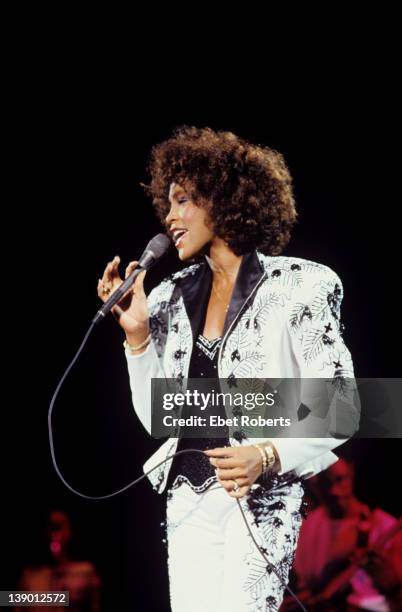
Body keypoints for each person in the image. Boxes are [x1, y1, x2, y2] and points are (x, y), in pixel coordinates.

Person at [97, 126, 359, 612]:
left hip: (258, 504)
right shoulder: (169, 298)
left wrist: (269, 453)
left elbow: (344, 405)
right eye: (167, 203)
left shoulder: (300, 285)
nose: (169, 217)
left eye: (183, 200)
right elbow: (161, 418)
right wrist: (136, 338)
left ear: (223, 197)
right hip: (186, 502)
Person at [284, 458, 402, 612]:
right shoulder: (306, 526)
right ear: (312, 482)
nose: (333, 490)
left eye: (340, 479)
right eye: (324, 483)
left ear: (351, 472)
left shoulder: (384, 526)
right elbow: (304, 585)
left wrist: (393, 585)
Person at [15, 510, 101, 612]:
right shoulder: (29, 576)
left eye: (59, 527)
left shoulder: (85, 572)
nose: (55, 534)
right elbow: (11, 603)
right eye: (51, 528)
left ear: (71, 531)